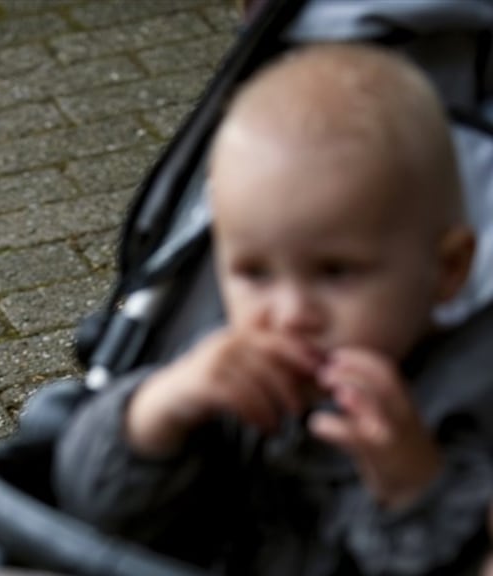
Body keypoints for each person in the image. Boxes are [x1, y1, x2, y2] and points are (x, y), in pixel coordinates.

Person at [53, 43, 493, 575]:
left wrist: (416, 490)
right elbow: (91, 510)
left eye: (335, 272)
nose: (289, 315)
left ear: (446, 270)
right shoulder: (219, 375)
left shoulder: (468, 398)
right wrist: (160, 410)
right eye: (254, 273)